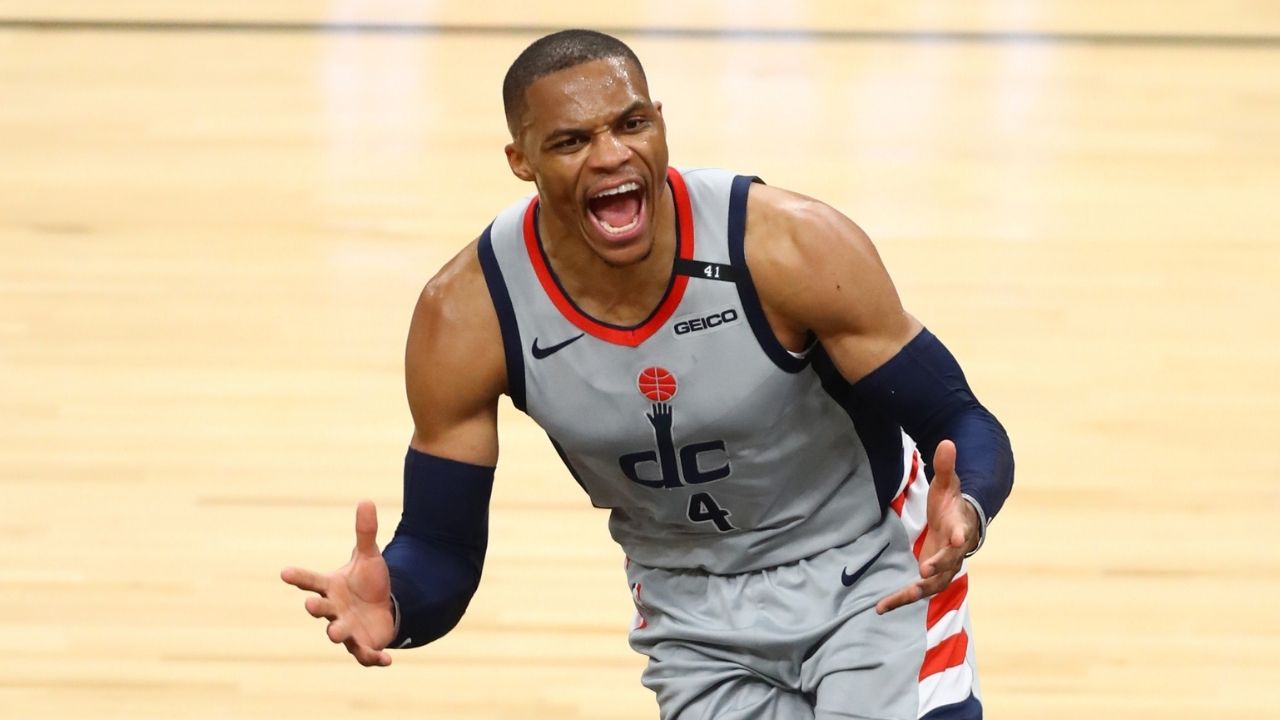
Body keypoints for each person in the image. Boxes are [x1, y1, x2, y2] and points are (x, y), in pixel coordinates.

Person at [281, 29, 1013, 720]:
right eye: (570, 141)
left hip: (870, 572)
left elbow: (961, 420)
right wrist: (398, 601)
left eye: (630, 125)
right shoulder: (468, 314)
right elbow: (441, 549)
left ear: (660, 121)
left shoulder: (787, 246)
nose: (610, 156)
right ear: (520, 160)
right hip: (691, 613)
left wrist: (969, 506)